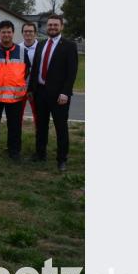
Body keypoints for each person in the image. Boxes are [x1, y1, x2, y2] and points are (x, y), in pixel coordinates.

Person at [28, 15, 78, 171]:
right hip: (40, 93)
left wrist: (66, 92)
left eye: (56, 25)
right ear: (46, 27)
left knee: (60, 127)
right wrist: (31, 89)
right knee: (41, 126)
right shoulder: (41, 44)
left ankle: (62, 159)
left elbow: (72, 72)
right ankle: (40, 154)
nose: (52, 27)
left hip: (59, 95)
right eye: (50, 25)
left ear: (61, 26)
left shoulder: (69, 46)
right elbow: (35, 68)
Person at [0, 20, 31, 161]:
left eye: (9, 32)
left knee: (15, 126)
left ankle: (14, 152)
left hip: (15, 97)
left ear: (13, 33)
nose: (6, 35)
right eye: (3, 32)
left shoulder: (22, 52)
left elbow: (26, 71)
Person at [19, 22, 39, 129]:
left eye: (31, 31)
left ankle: (39, 139)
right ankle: (16, 140)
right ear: (22, 33)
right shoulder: (17, 48)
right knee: (17, 115)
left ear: (35, 33)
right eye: (26, 31)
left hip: (35, 88)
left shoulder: (41, 48)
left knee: (38, 115)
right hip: (19, 87)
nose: (28, 33)